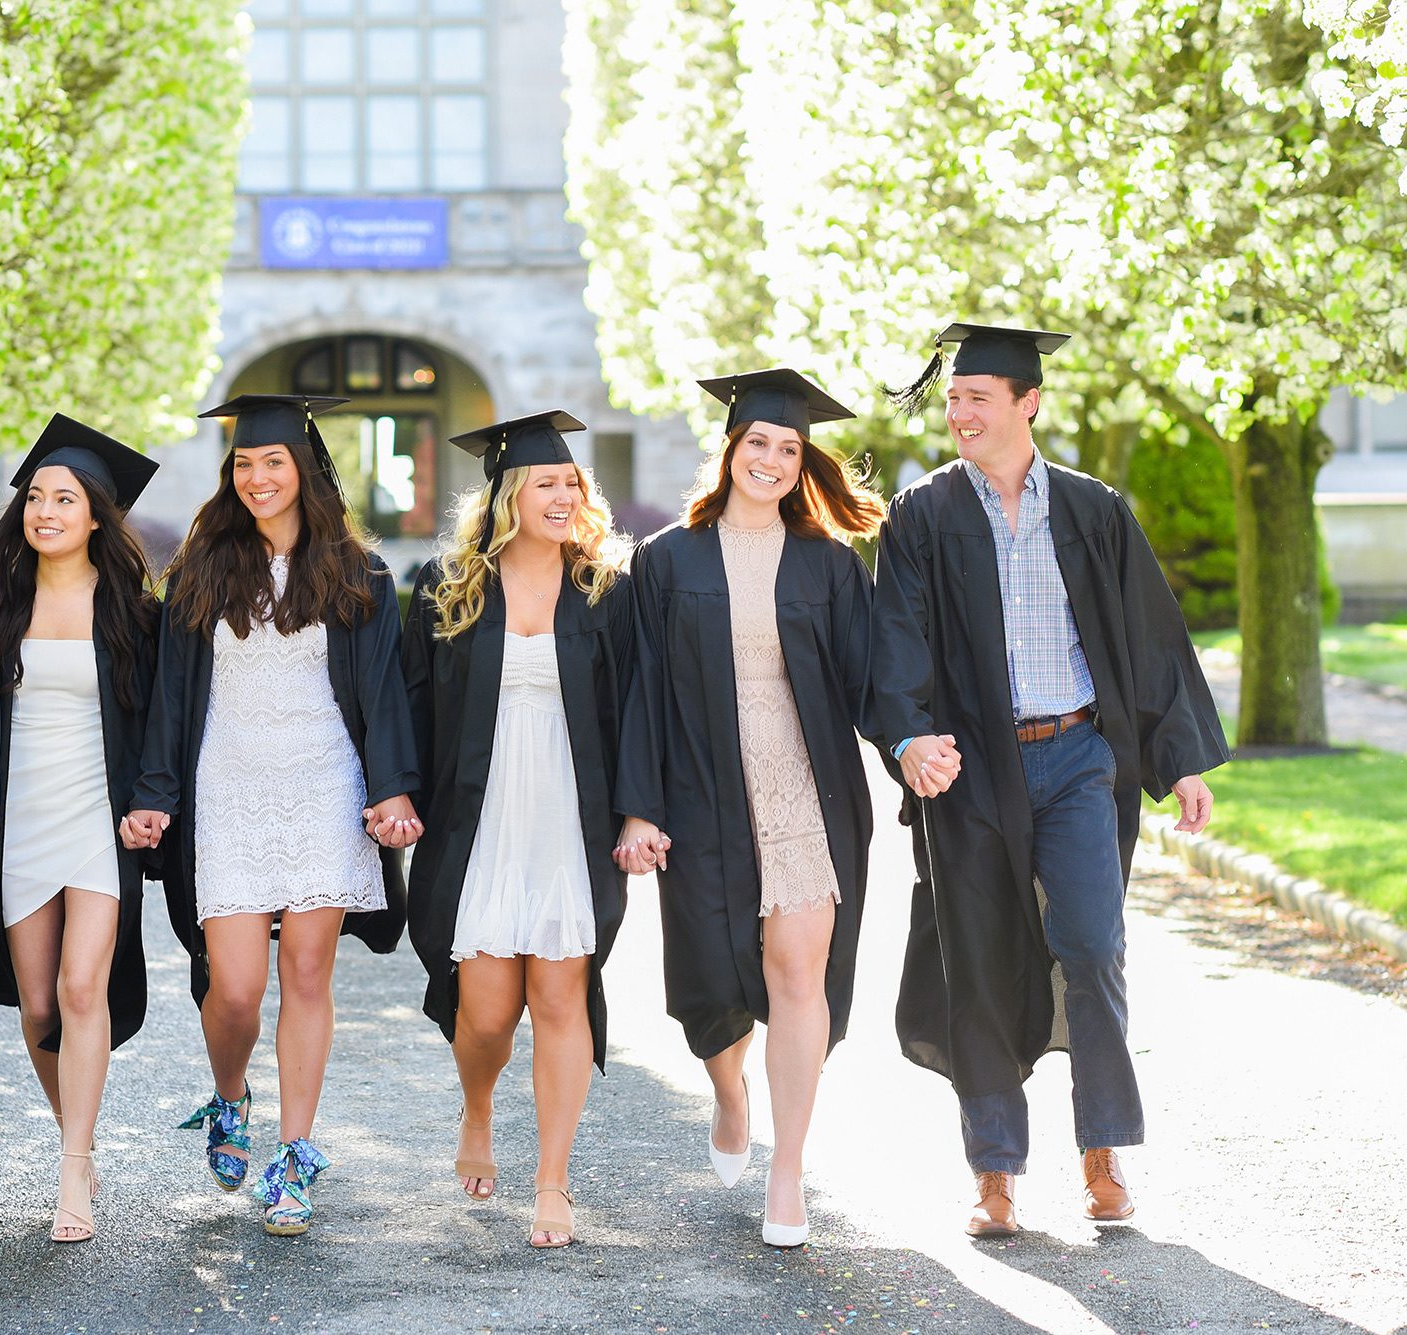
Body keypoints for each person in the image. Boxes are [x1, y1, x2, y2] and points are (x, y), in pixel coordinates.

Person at [875, 322, 1228, 1236]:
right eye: (952, 400)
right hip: (974, 769)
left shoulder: (1092, 508)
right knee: (982, 958)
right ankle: (995, 1171)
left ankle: (1102, 1153)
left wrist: (1177, 756)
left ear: (1028, 403)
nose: (959, 413)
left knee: (1091, 943)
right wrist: (911, 738)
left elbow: (1150, 637)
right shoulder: (923, 515)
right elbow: (896, 648)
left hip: (1077, 757)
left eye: (977, 398)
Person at [126, 393, 422, 1237]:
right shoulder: (203, 570)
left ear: (305, 471)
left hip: (324, 779)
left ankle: (294, 1157)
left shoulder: (358, 574)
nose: (257, 478)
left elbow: (383, 693)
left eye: (274, 463)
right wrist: (155, 794)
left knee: (306, 973)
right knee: (237, 989)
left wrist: (390, 787)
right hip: (229, 781)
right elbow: (173, 701)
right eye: (244, 464)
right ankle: (229, 1096)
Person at [613, 369, 884, 1248]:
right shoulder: (666, 561)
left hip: (807, 784)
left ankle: (787, 1169)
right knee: (712, 980)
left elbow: (870, 679)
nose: (771, 458)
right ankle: (730, 1092)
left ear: (803, 464)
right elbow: (640, 692)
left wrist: (916, 740)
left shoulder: (829, 563)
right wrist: (640, 808)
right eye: (758, 443)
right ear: (729, 450)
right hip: (700, 787)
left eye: (789, 448)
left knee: (799, 971)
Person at [400, 410, 634, 1249]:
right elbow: (410, 703)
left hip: (572, 816)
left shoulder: (605, 590)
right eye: (547, 483)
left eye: (573, 482)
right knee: (488, 1014)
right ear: (509, 495)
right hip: (481, 819)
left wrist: (639, 812)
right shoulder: (448, 584)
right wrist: (398, 793)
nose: (566, 495)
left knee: (560, 993)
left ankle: (553, 1181)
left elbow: (637, 709)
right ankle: (477, 1105)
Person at [0, 415, 160, 1244]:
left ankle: (74, 1167)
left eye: (64, 498)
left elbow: (157, 727)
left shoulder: (135, 613)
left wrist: (152, 800)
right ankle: (78, 1131)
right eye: (35, 496)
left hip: (96, 819)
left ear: (97, 515)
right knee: (37, 1002)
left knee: (81, 989)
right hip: (22, 815)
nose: (44, 510)